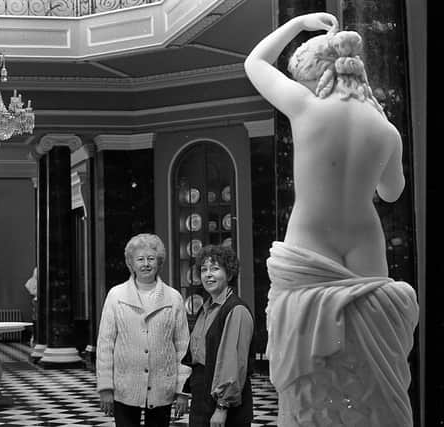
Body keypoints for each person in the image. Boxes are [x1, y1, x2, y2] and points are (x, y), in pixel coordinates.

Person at [244, 12, 418, 426]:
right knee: (374, 365)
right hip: (365, 248)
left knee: (310, 367)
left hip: (310, 241)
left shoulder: (306, 108)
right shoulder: (387, 130)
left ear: (314, 75)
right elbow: (391, 192)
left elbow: (254, 63)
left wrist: (297, 25)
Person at [96, 233, 191, 427]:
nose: (146, 264)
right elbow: (105, 344)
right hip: (124, 388)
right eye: (140, 259)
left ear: (159, 262)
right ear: (131, 263)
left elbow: (183, 347)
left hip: (162, 388)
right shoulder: (116, 295)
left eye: (151, 259)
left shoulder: (174, 298)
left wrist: (182, 391)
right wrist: (105, 388)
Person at [176, 244, 254, 427]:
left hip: (223, 405)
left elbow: (233, 363)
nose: (208, 274)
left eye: (215, 269)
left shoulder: (236, 310)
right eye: (204, 270)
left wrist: (222, 407)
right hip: (202, 397)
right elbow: (196, 357)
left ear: (230, 274)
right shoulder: (206, 308)